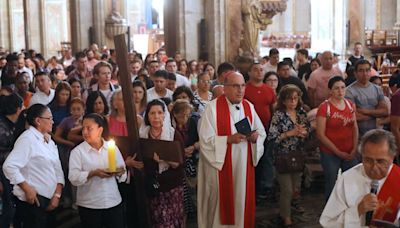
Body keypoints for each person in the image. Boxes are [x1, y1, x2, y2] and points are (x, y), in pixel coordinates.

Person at [197, 72, 266, 228]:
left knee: (241, 200)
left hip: (243, 166)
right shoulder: (212, 109)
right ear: (225, 88)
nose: (240, 90)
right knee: (221, 203)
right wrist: (228, 139)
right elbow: (205, 140)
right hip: (220, 167)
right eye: (235, 86)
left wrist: (255, 138)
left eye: (242, 86)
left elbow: (261, 132)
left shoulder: (249, 106)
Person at [320, 129, 400, 227]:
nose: (374, 167)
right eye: (368, 160)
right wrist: (357, 210)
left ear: (392, 158)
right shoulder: (347, 179)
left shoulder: (398, 178)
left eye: (380, 161)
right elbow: (328, 222)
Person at [3, 104, 64, 228]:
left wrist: (57, 194)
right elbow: (9, 166)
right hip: (33, 201)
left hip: (50, 200)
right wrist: (27, 188)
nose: (53, 122)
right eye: (50, 118)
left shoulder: (49, 141)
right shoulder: (27, 139)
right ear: (38, 121)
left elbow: (57, 169)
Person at [68, 113, 126, 228]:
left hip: (112, 200)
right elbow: (73, 177)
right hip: (90, 204)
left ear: (100, 130)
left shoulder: (112, 148)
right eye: (83, 128)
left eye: (89, 128)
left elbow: (123, 172)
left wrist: (117, 172)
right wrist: (92, 173)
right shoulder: (78, 152)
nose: (85, 132)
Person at [267, 84, 310, 227]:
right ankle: (286, 217)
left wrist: (303, 133)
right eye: (290, 99)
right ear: (283, 101)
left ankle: (289, 210)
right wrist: (289, 134)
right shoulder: (278, 115)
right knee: (287, 189)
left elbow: (307, 131)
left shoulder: (301, 113)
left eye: (295, 98)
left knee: (295, 188)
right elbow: (272, 137)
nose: (293, 102)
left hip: (298, 154)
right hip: (282, 155)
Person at [139, 99, 185, 227]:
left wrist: (164, 159)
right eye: (152, 113)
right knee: (159, 221)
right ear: (147, 116)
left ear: (165, 115)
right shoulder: (143, 135)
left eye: (159, 113)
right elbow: (141, 160)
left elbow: (180, 164)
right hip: (154, 187)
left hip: (172, 186)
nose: (156, 117)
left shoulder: (173, 135)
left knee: (173, 220)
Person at [316, 76, 359, 200]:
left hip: (349, 151)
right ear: (330, 91)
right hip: (330, 153)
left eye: (342, 88)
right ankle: (330, 212)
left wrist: (354, 148)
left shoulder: (350, 105)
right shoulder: (324, 108)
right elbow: (320, 134)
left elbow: (354, 127)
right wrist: (337, 152)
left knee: (351, 182)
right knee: (331, 183)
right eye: (336, 89)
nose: (340, 91)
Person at [244, 63, 276, 199]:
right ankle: (250, 190)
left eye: (261, 70)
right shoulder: (245, 89)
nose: (259, 72)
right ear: (250, 72)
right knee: (251, 160)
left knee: (265, 159)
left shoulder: (269, 90)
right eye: (255, 70)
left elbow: (273, 109)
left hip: (266, 129)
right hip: (250, 131)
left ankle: (262, 189)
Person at [0, 94, 25, 227]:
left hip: (9, 170)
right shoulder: (2, 127)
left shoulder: (13, 124)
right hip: (3, 172)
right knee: (8, 209)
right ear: (17, 109)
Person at [345, 59, 388, 136]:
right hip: (356, 135)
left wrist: (364, 111)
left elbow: (385, 111)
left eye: (367, 70)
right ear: (355, 73)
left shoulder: (377, 89)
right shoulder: (349, 91)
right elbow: (354, 116)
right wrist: (376, 114)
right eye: (361, 70)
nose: (365, 73)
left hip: (375, 133)